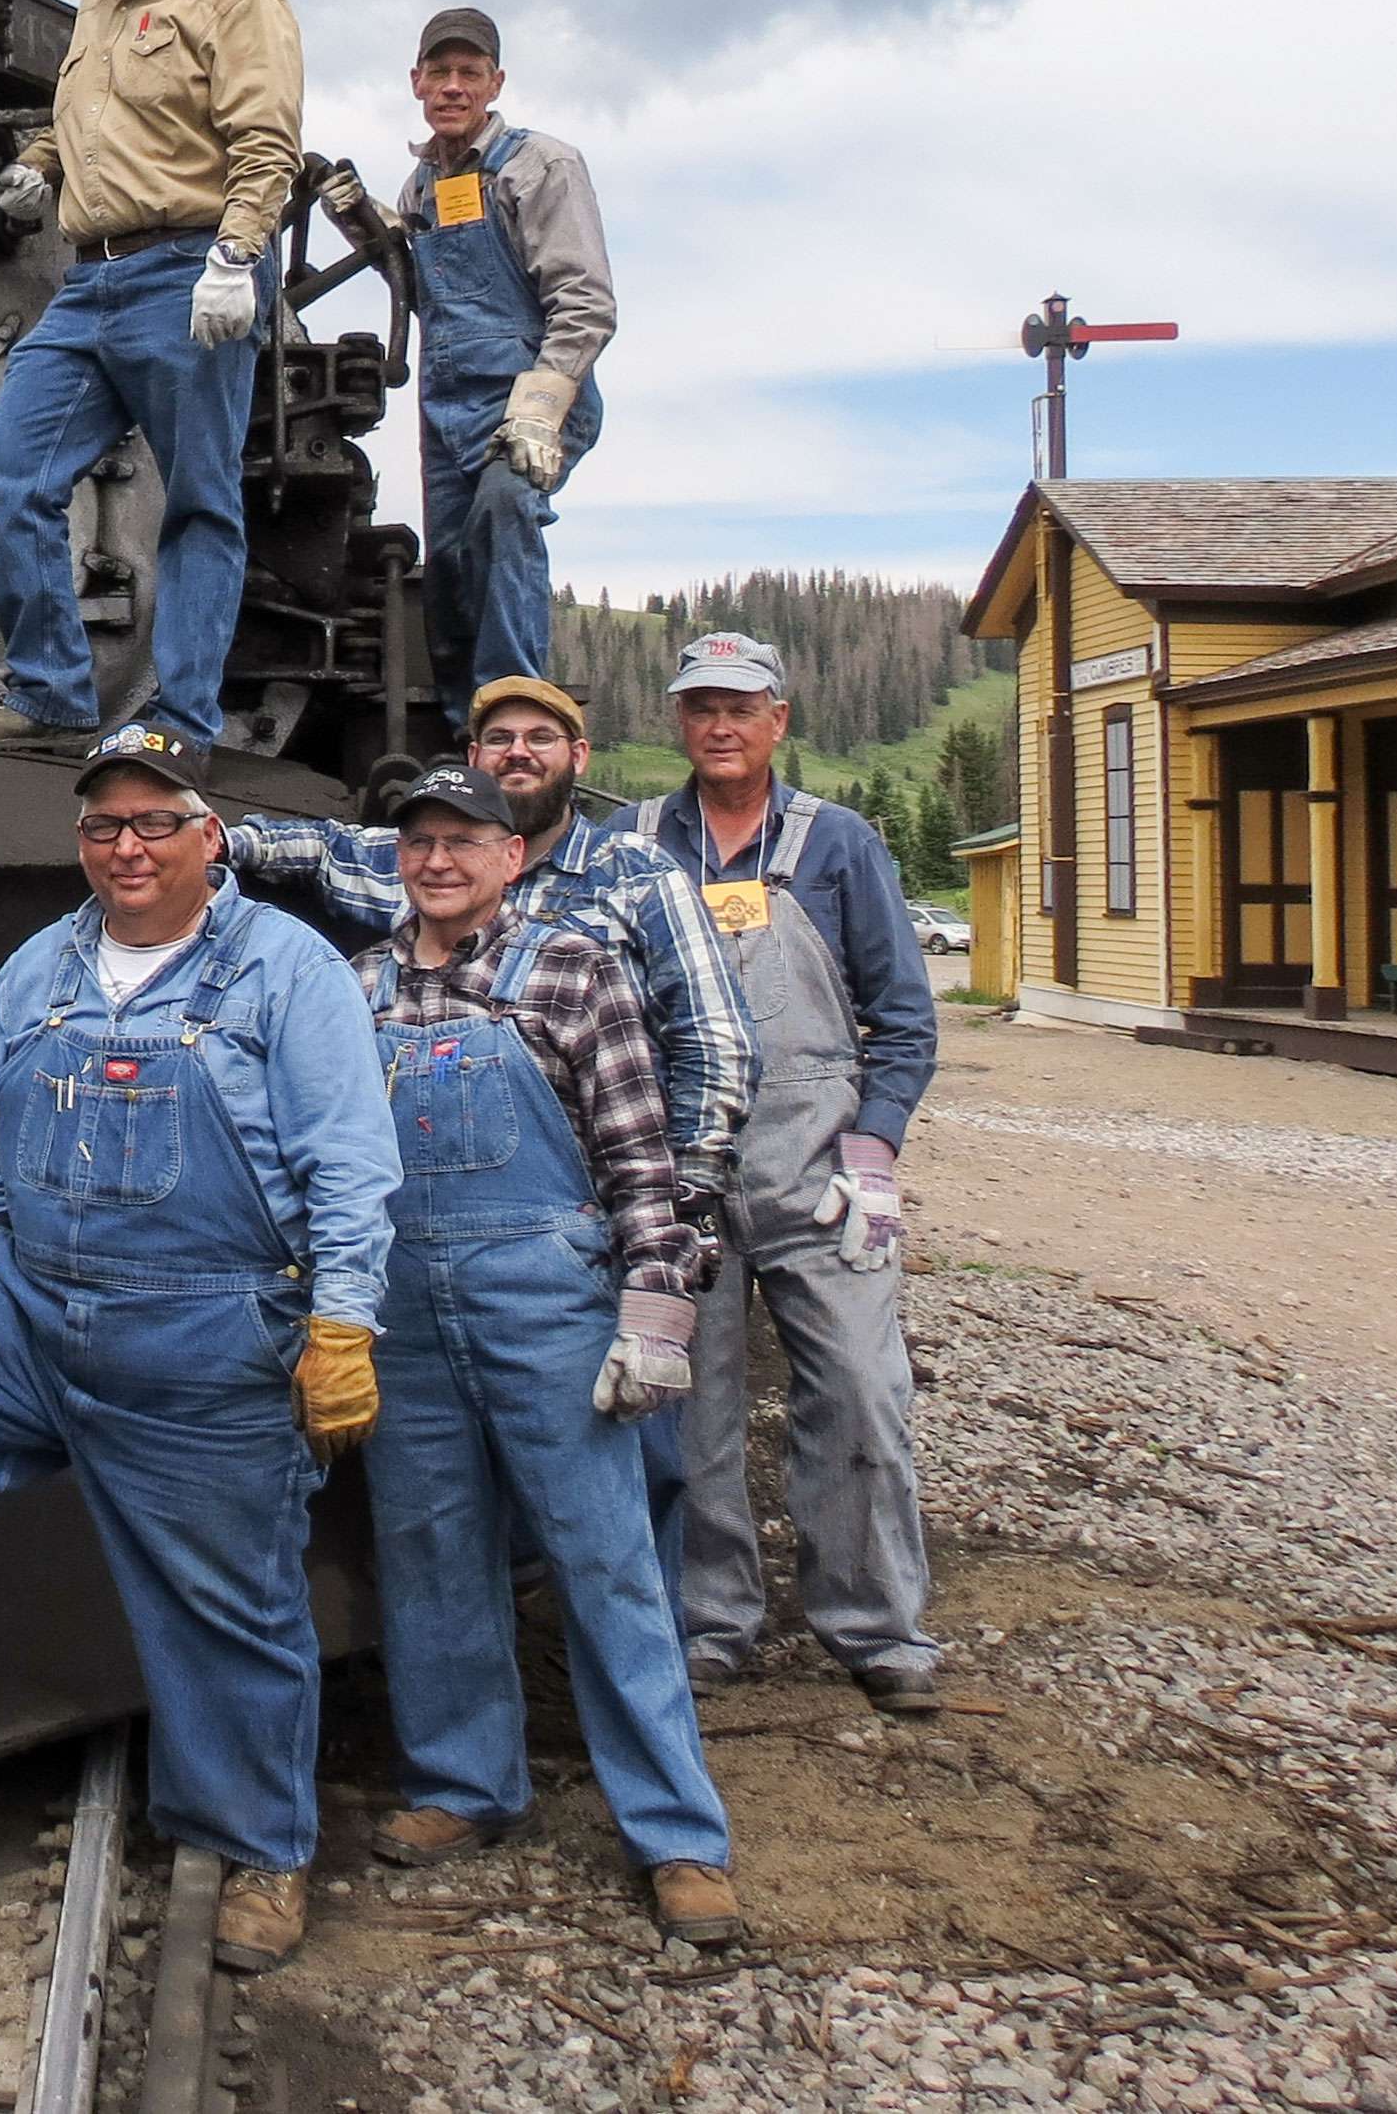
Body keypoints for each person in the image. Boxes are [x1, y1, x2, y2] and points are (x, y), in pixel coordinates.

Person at [0, 722, 392, 1978]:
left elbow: (351, 1161)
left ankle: (259, 1843)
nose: (127, 846)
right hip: (30, 1305)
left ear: (210, 835)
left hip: (204, 1321)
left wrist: (340, 1319)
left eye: (156, 821)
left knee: (230, 1599)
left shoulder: (285, 968)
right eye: (103, 825)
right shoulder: (39, 966)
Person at [351, 766, 743, 1948]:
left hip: (546, 1300)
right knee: (429, 1553)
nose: (436, 859)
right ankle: (464, 1786)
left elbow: (637, 1152)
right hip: (400, 1314)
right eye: (417, 840)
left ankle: (677, 1833)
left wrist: (655, 1310)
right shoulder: (358, 984)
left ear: (508, 855)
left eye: (462, 838)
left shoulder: (570, 966)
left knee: (607, 1562)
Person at [621, 632, 942, 1711]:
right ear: (678, 720)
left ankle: (875, 1627)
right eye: (699, 705)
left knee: (858, 1391)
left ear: (777, 721)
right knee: (688, 1407)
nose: (718, 724)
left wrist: (874, 1148)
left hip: (817, 1174)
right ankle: (710, 1621)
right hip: (679, 1174)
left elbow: (900, 1019)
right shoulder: (631, 843)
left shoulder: (835, 843)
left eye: (739, 706)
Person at [0, 0, 303, 755]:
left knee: (198, 501)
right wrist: (37, 164)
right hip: (88, 280)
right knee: (8, 474)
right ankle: (55, 693)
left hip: (189, 268)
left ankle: (181, 724)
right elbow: (88, 126)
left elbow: (267, 140)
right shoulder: (99, 3)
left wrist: (237, 257)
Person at [224, 674, 754, 1221]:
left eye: (540, 738)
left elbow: (710, 1032)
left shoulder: (636, 874)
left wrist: (694, 1171)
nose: (518, 753)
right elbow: (326, 846)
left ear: (578, 756)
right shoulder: (424, 862)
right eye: (500, 739)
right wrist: (216, 841)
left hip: (606, 1188)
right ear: (475, 756)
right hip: (437, 1194)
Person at [323, 6, 616, 710]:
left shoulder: (540, 165)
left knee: (505, 514)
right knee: (450, 572)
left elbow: (585, 302)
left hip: (528, 404)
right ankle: (460, 729)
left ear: (495, 82)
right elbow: (434, 299)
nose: (453, 87)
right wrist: (368, 227)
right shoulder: (421, 188)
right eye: (440, 73)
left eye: (470, 74)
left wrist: (540, 413)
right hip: (447, 413)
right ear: (417, 82)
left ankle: (513, 710)